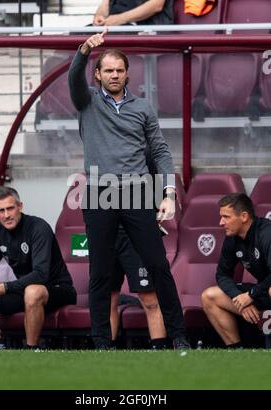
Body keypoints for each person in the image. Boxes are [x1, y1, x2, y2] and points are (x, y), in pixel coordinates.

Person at [68, 30, 189, 349]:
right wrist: (83, 51)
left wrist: (168, 193)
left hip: (136, 193)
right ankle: (101, 343)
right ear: (97, 74)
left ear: (127, 74)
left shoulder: (143, 109)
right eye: (107, 69)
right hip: (98, 193)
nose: (114, 75)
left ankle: (179, 337)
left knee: (159, 266)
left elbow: (161, 151)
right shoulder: (87, 102)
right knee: (100, 274)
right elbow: (73, 81)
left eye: (119, 70)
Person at [0, 187, 76, 349]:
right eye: (1, 210)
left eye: (10, 208)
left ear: (20, 206)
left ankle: (31, 349)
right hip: (23, 291)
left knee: (33, 291)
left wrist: (2, 288)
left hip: (57, 289)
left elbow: (41, 275)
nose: (6, 215)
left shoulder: (38, 227)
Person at [202, 193, 271, 348]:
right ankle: (237, 352)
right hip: (262, 290)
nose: (221, 222)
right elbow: (222, 275)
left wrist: (251, 295)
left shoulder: (266, 233)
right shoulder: (232, 239)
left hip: (264, 290)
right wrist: (241, 299)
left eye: (226, 217)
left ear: (244, 216)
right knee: (209, 296)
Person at [111, 225, 167, 349]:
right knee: (108, 299)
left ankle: (160, 349)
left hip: (136, 230)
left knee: (150, 300)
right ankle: (106, 350)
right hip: (106, 230)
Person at [93, 0, 173, 26]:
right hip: (113, 26)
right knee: (84, 38)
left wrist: (118, 19)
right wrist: (100, 17)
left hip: (145, 27)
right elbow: (105, 3)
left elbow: (156, 5)